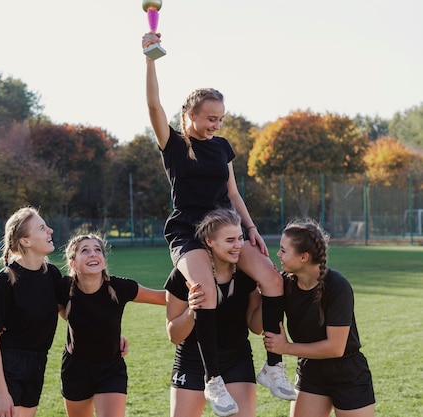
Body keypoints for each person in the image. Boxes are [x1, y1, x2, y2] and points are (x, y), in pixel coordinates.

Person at [142, 30, 295, 416]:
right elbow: (153, 105)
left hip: (228, 227)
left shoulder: (222, 147)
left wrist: (253, 229)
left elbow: (232, 192)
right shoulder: (175, 145)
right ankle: (212, 380)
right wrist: (150, 60)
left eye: (220, 118)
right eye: (210, 118)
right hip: (189, 232)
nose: (215, 124)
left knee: (273, 280)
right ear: (190, 115)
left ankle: (273, 368)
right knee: (204, 292)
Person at [263, 219, 375, 417]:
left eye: (283, 250)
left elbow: (335, 348)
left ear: (304, 257)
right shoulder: (284, 284)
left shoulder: (338, 287)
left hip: (348, 374)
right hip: (311, 371)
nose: (278, 255)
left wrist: (286, 348)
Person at [55, 233, 166, 417]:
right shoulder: (63, 288)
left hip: (111, 368)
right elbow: (59, 312)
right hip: (76, 369)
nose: (93, 254)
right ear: (72, 263)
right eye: (85, 250)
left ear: (103, 260)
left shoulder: (120, 287)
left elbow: (162, 298)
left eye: (98, 250)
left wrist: (198, 289)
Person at [166, 208, 262, 417]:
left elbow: (256, 327)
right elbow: (174, 335)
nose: (238, 245)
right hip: (192, 361)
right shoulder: (184, 273)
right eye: (230, 240)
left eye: (240, 238)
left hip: (236, 359)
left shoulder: (246, 273)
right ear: (209, 241)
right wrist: (193, 310)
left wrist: (267, 295)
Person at [0, 207, 61, 417]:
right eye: (42, 228)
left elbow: (71, 313)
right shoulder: (4, 281)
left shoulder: (51, 275)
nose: (50, 230)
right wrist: (2, 393)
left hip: (37, 366)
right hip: (5, 370)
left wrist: (109, 335)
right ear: (25, 241)